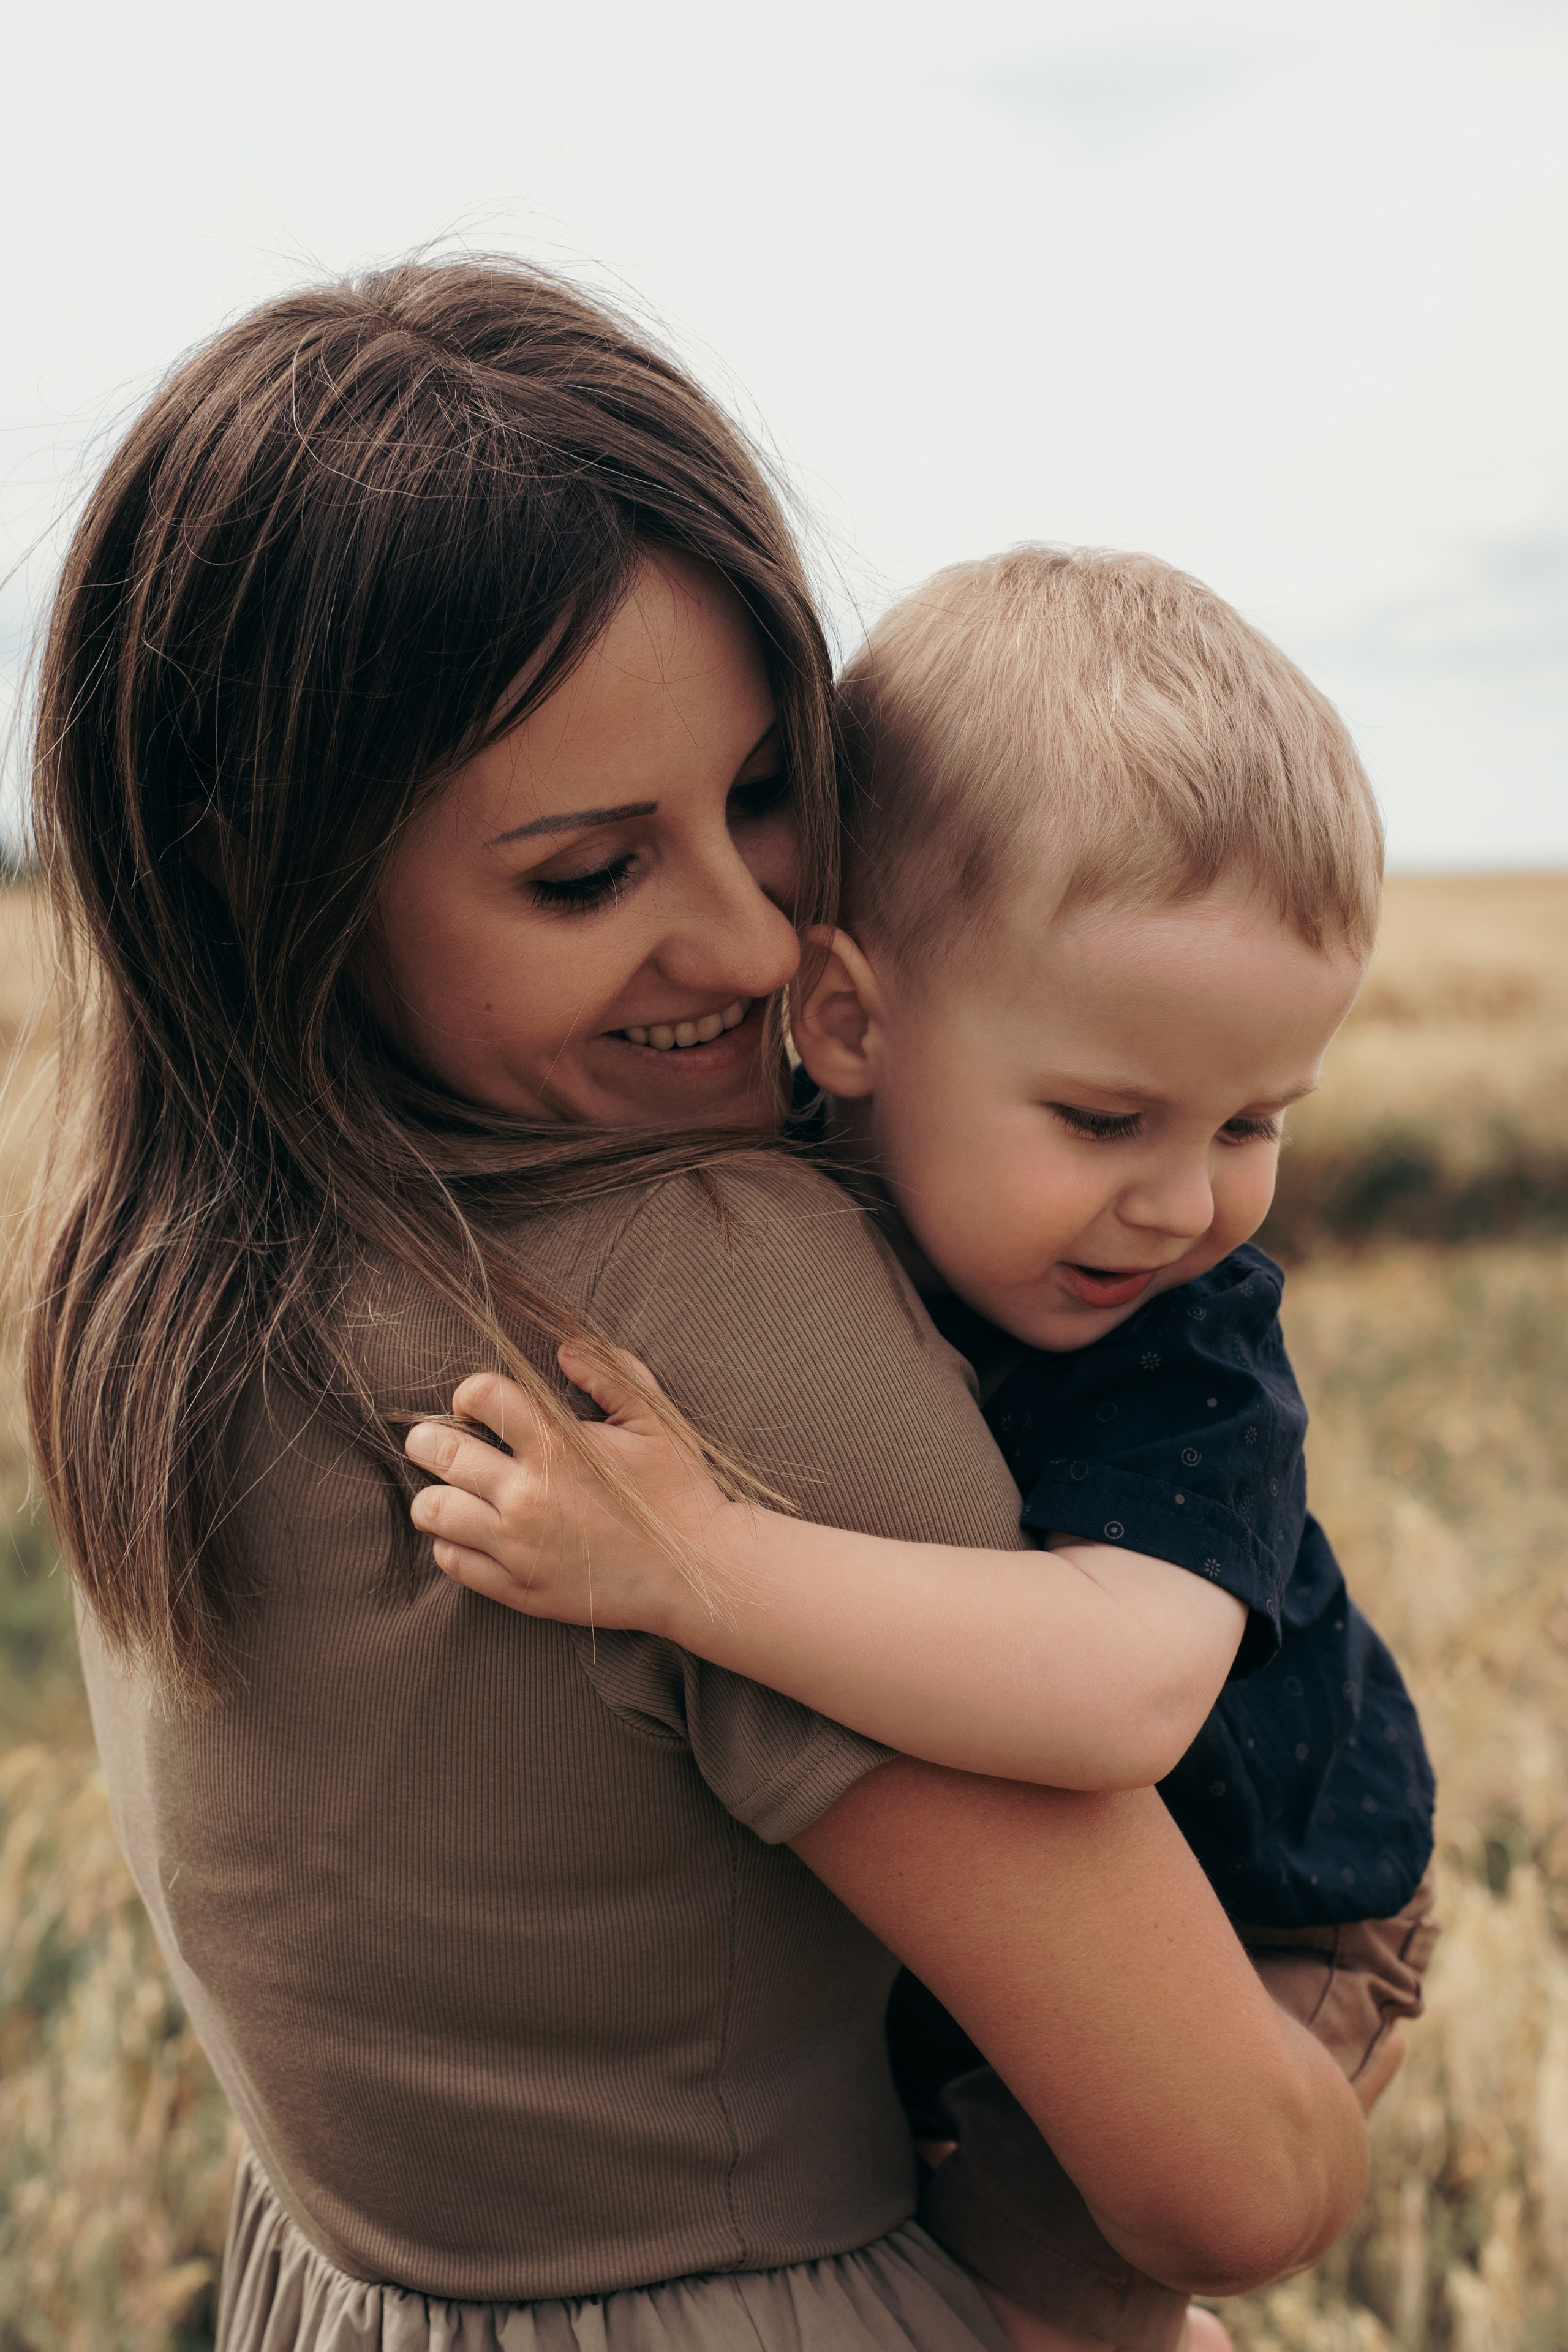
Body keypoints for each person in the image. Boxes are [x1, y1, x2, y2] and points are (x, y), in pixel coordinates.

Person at [24, 261, 1366, 2352]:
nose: (753, 945)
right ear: (254, 874)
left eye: (765, 791)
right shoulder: (701, 1310)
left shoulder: (141, 1260)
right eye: (586, 873)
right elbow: (1235, 2178)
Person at [403, 550, 1441, 2350]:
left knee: (1028, 2311)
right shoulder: (771, 1195)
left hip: (1273, 1923)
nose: (1187, 1204)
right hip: (1003, 1952)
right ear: (851, 1024)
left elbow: (1121, 1693)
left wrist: (692, 1565)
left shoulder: (1188, 1345)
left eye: (1254, 1123)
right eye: (1105, 1119)